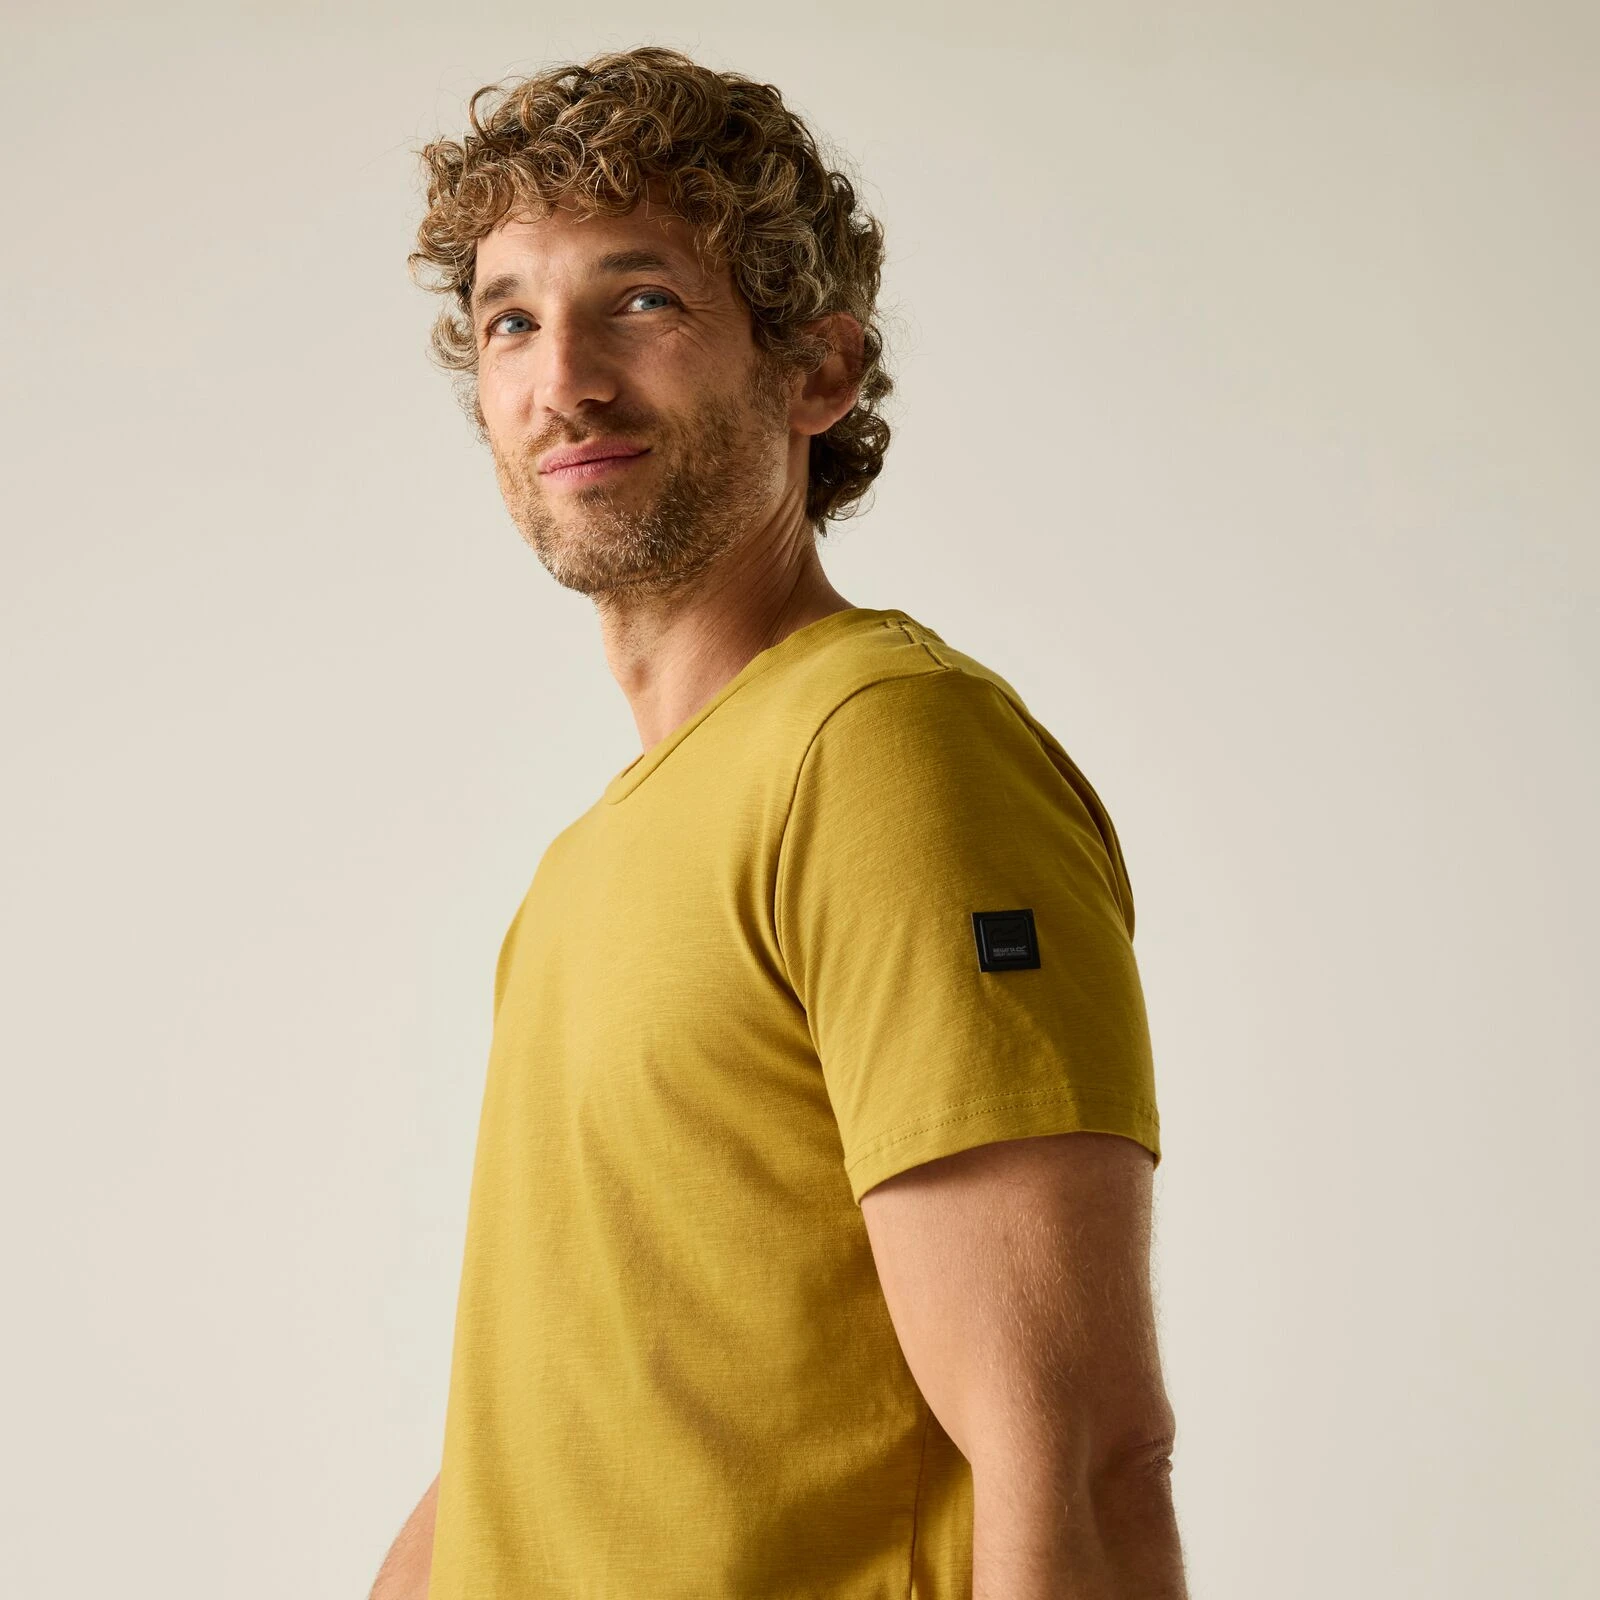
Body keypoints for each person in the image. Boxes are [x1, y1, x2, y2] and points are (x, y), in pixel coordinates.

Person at [370, 44, 1186, 1600]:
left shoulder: (884, 753)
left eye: (642, 300)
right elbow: (544, 1437)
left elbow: (1078, 1456)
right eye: (512, 320)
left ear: (817, 369)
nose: (563, 380)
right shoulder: (586, 867)